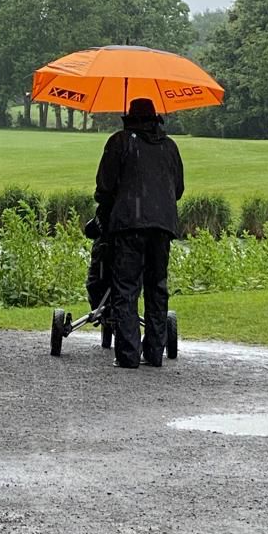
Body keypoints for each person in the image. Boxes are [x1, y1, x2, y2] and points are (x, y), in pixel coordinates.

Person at [94, 98, 184, 368]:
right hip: (163, 226)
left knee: (126, 288)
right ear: (156, 118)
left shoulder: (120, 141)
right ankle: (155, 353)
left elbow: (104, 187)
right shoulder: (169, 146)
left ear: (129, 117)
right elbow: (177, 189)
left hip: (129, 224)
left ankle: (128, 354)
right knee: (157, 288)